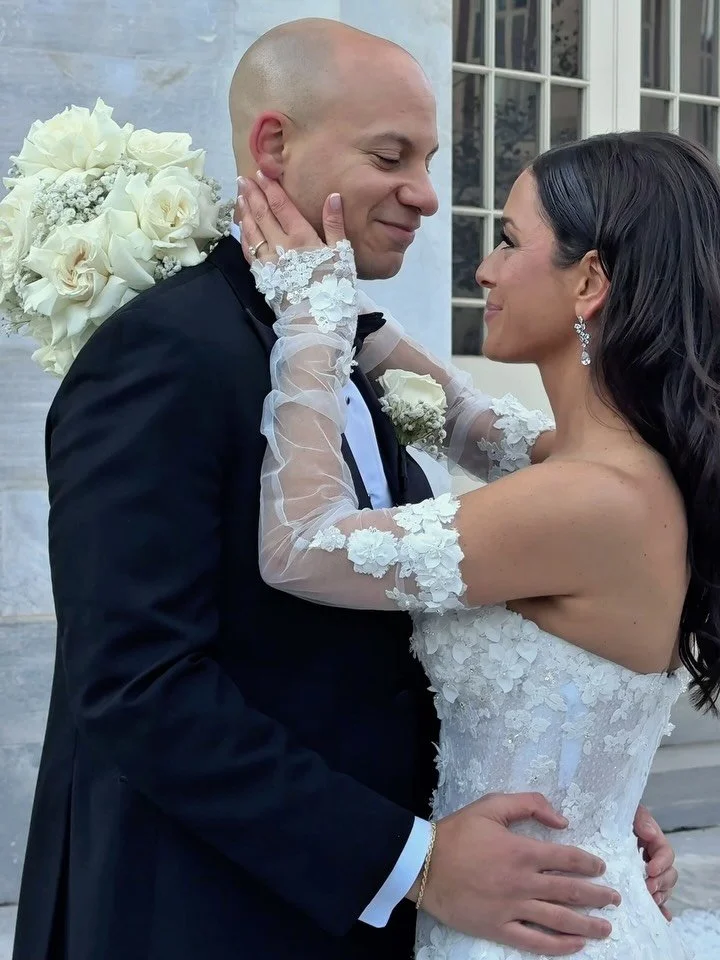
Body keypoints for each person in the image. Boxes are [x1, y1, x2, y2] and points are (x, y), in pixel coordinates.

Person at [12, 19, 675, 960]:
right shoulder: (172, 351)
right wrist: (415, 859)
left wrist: (585, 790)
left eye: (431, 159)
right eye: (390, 155)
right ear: (274, 146)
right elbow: (135, 684)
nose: (428, 197)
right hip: (205, 921)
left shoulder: (328, 352)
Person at [236, 126, 720, 959]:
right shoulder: (615, 464)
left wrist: (309, 324)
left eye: (506, 240)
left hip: (531, 933)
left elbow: (299, 546)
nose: (484, 268)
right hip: (555, 890)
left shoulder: (588, 499)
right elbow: (461, 415)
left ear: (590, 282)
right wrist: (348, 298)